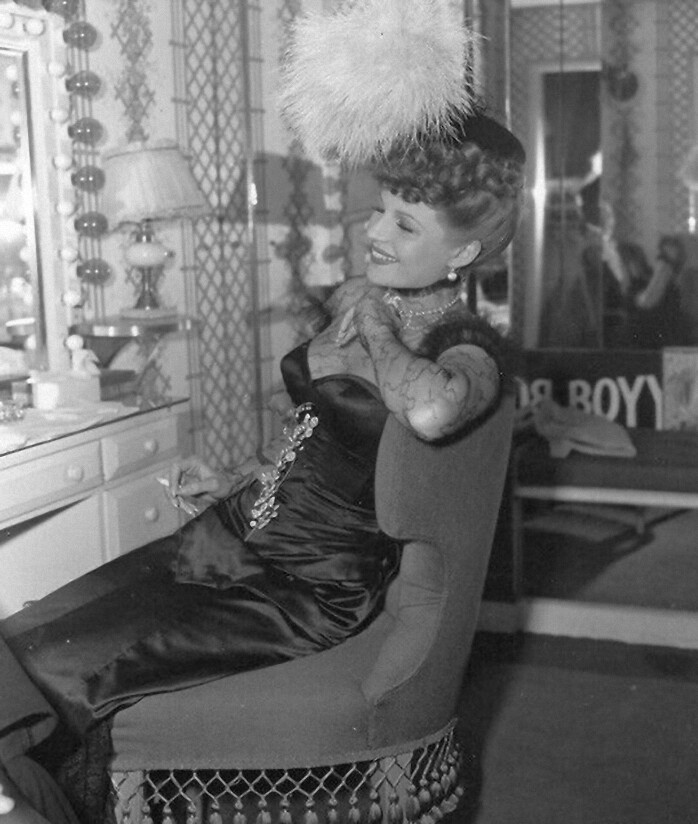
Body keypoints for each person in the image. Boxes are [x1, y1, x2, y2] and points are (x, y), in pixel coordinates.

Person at [0, 4, 526, 823]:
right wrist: (239, 476)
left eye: (404, 222)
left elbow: (428, 412)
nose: (375, 231)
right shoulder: (369, 301)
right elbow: (319, 442)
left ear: (460, 252)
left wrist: (375, 321)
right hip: (227, 538)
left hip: (302, 588)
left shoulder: (468, 344)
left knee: (66, 671)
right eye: (380, 207)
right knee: (28, 635)